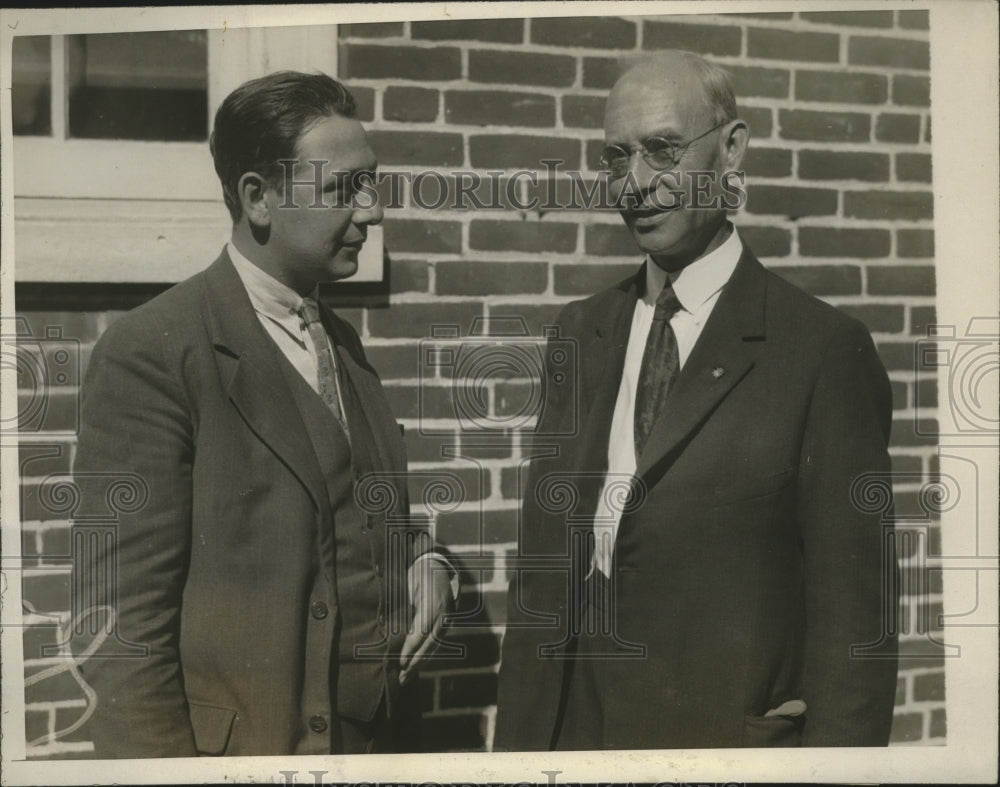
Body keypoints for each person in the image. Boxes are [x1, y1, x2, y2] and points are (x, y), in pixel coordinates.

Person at [494, 51, 899, 750]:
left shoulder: (822, 351)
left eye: (660, 149)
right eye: (616, 158)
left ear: (732, 149)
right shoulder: (582, 332)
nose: (637, 183)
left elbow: (857, 628)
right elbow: (543, 582)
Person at [71, 71, 455, 757]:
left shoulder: (343, 345)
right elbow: (121, 634)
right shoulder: (155, 352)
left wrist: (426, 559)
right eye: (343, 189)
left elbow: (353, 515)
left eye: (373, 184)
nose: (371, 212)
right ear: (259, 198)